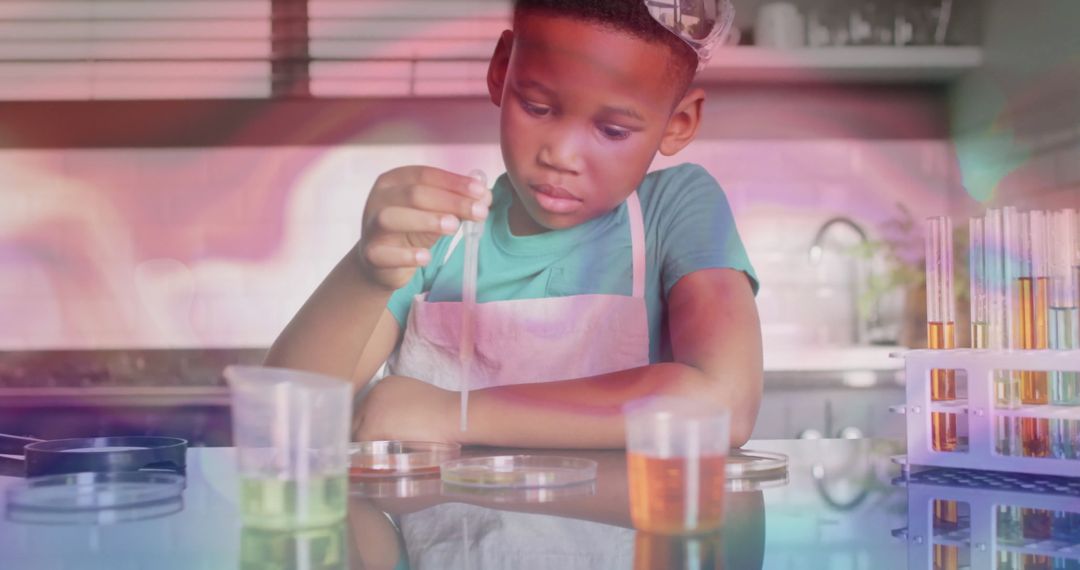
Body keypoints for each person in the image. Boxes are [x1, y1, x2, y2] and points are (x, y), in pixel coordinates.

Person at [266, 0, 762, 449]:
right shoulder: (439, 231)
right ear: (502, 70)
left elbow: (724, 405)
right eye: (537, 106)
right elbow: (282, 419)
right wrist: (366, 273)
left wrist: (454, 416)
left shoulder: (674, 211)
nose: (560, 155)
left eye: (612, 130)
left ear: (678, 124)